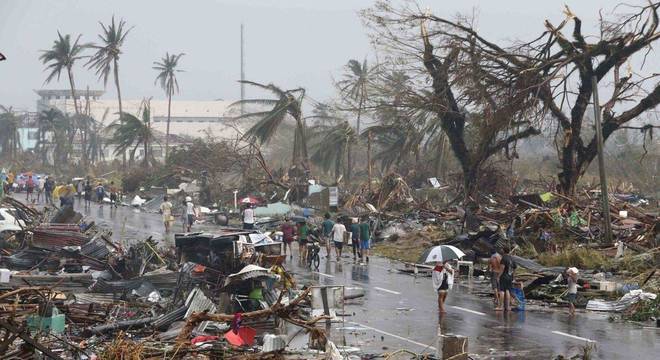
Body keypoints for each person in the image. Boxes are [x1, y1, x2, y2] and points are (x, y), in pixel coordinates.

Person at [496, 247, 517, 312]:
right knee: (508, 291)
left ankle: (500, 306)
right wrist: (513, 277)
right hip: (510, 277)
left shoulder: (504, 258)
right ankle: (507, 307)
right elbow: (514, 268)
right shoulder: (512, 258)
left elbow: (502, 268)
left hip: (504, 276)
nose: (501, 250)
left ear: (504, 250)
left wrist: (498, 276)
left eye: (502, 249)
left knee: (502, 291)